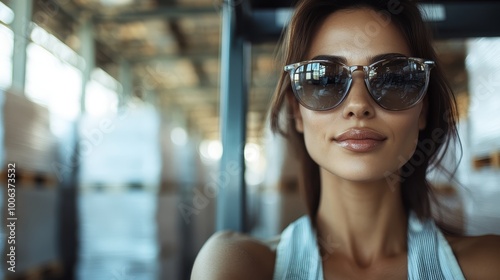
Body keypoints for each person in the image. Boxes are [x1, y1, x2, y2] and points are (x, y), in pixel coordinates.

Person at [191, 0, 500, 279]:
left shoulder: (488, 265)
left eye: (393, 79)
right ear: (296, 112)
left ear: (422, 109)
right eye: (324, 79)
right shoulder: (240, 265)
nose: (358, 105)